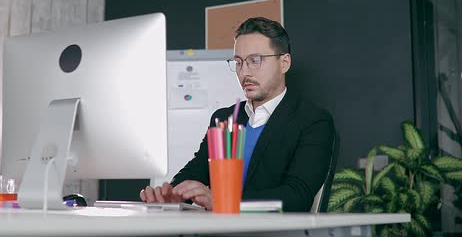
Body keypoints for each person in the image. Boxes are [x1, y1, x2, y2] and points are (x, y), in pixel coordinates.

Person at [140, 17, 337, 212]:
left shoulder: (313, 121)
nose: (244, 72)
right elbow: (196, 171)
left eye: (255, 60)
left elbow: (297, 196)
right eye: (239, 62)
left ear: (284, 63)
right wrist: (174, 193)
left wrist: (222, 200)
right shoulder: (225, 119)